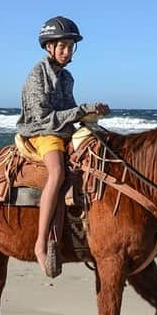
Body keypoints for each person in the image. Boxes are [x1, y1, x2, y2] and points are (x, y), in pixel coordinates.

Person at [16, 16, 110, 277]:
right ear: (49, 47)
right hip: (42, 132)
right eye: (62, 47)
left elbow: (69, 110)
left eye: (70, 46)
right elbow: (44, 117)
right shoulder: (37, 74)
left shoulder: (67, 77)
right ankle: (40, 244)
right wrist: (81, 111)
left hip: (63, 130)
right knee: (57, 173)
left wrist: (92, 113)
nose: (67, 52)